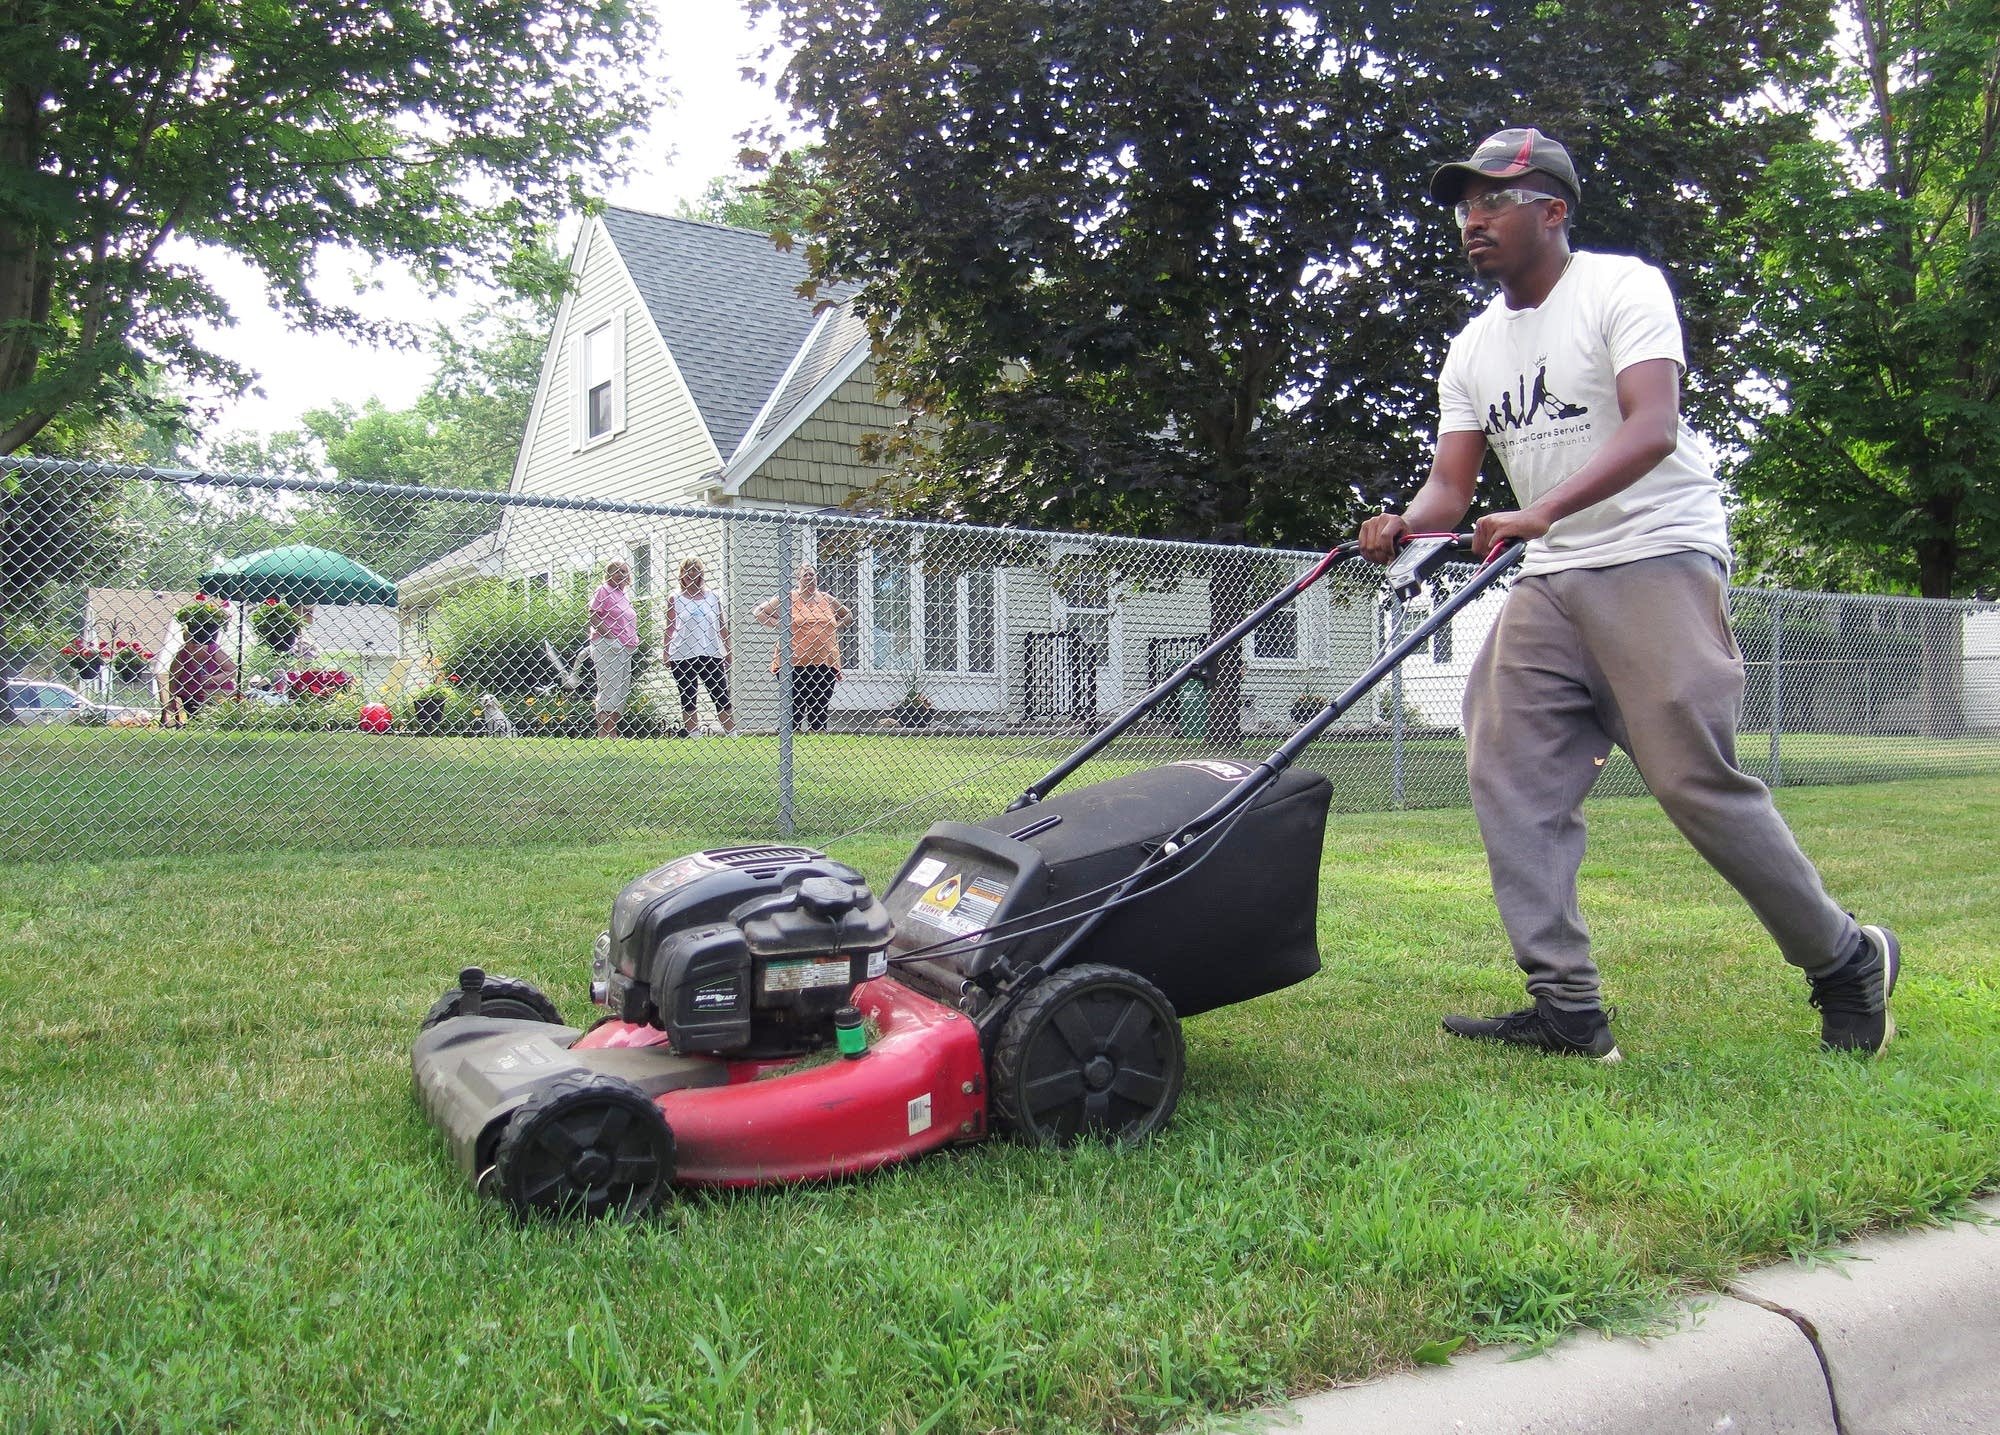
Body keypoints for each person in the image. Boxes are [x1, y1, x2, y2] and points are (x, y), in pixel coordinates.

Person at [1359, 126, 1898, 1062]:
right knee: (1507, 766)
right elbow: (1450, 488)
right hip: (1554, 574)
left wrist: (1543, 510)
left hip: (1658, 552)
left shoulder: (1621, 288)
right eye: (1465, 204)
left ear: (1552, 211)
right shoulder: (1474, 347)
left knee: (1693, 780)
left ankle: (1844, 957)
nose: (1473, 219)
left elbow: (1652, 426)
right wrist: (1403, 525)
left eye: (1495, 200)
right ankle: (1566, 1006)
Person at [754, 564, 852, 732]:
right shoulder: (788, 598)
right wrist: (781, 626)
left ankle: (818, 741)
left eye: (812, 575)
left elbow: (848, 615)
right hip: (794, 661)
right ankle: (790, 744)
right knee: (795, 709)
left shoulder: (826, 599)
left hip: (824, 661)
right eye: (805, 575)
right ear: (798, 579)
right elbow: (758, 612)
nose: (809, 577)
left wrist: (835, 625)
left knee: (819, 708)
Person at [662, 558, 736, 738]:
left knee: (721, 694)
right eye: (687, 570)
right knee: (688, 695)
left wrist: (727, 649)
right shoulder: (676, 598)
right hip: (683, 654)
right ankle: (694, 735)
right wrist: (666, 652)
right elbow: (670, 627)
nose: (691, 574)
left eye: (695, 570)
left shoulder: (712, 597)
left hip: (710, 652)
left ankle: (732, 734)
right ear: (681, 575)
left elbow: (721, 625)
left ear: (701, 574)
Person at [587, 559, 640, 739]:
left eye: (624, 571)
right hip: (608, 646)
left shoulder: (624, 595)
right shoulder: (604, 590)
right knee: (609, 688)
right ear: (608, 574)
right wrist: (610, 637)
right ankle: (603, 733)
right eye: (615, 570)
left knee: (621, 690)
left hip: (625, 647)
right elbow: (593, 615)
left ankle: (613, 732)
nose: (620, 574)